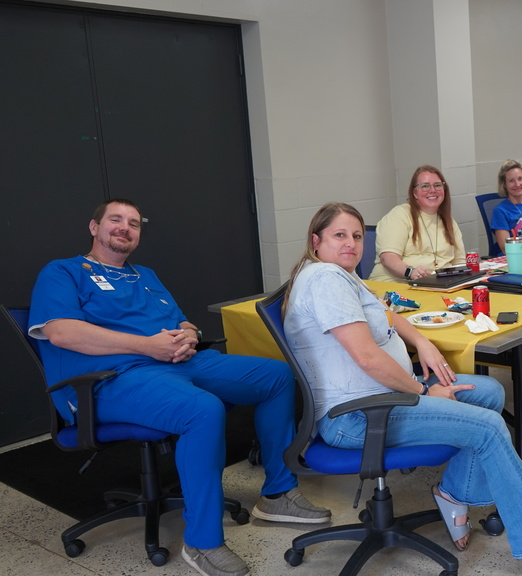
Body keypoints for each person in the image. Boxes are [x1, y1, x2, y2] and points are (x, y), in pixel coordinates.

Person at [28, 199, 330, 576]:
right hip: (111, 380)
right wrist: (147, 345)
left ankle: (278, 494)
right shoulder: (63, 272)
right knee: (202, 410)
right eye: (115, 219)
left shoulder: (145, 276)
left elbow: (183, 322)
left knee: (275, 376)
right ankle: (203, 542)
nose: (125, 227)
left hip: (175, 363)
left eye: (134, 223)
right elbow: (61, 332)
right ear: (94, 227)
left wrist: (189, 336)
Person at [283, 202, 522, 566]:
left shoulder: (342, 275)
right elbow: (367, 358)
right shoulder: (326, 279)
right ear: (316, 240)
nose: (351, 243)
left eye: (356, 235)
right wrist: (423, 390)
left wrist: (422, 342)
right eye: (340, 235)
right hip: (358, 417)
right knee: (488, 426)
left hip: (381, 397)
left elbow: (385, 313)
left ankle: (453, 493)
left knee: (488, 392)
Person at [369, 165, 466, 282]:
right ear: (415, 193)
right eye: (425, 186)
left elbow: (459, 262)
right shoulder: (400, 214)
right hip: (397, 284)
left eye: (437, 185)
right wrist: (410, 272)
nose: (432, 190)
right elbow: (388, 258)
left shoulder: (449, 221)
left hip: (437, 284)